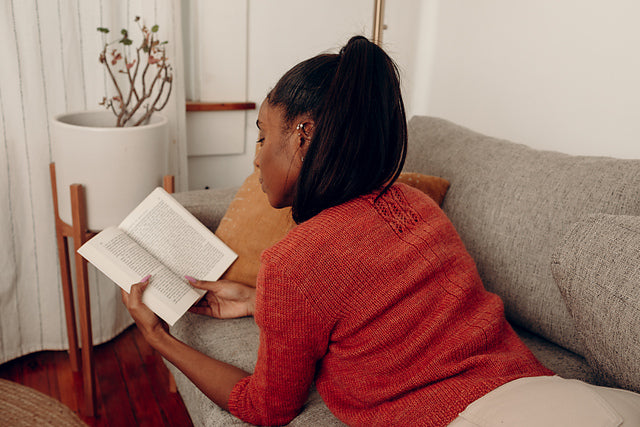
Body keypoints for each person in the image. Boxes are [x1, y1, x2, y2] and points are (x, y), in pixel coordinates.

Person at [122, 36, 640, 426]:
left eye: (262, 135)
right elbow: (377, 308)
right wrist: (259, 300)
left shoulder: (296, 260)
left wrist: (159, 339)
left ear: (303, 135)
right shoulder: (414, 207)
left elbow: (266, 406)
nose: (256, 157)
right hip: (561, 398)